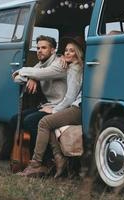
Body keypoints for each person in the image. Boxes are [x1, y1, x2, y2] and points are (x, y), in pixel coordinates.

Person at [18, 36, 85, 177]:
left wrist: (54, 110)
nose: (67, 53)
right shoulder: (69, 65)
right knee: (47, 123)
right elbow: (37, 72)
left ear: (78, 53)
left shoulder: (75, 68)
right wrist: (33, 77)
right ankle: (58, 160)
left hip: (76, 107)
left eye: (71, 51)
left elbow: (70, 97)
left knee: (44, 122)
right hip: (72, 106)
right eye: (66, 50)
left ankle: (37, 164)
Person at [10, 35, 67, 156]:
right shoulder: (40, 65)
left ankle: (48, 159)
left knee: (30, 121)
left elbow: (42, 73)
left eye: (44, 48)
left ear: (53, 50)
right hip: (47, 105)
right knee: (15, 120)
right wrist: (32, 77)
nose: (39, 50)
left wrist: (31, 74)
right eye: (38, 48)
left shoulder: (60, 64)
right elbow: (17, 79)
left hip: (61, 106)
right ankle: (28, 155)